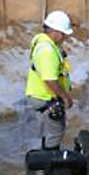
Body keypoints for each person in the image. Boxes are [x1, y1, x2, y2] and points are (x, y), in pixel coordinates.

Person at [24, 10, 74, 150]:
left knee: (51, 129)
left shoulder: (48, 45)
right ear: (54, 31)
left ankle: (46, 159)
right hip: (44, 96)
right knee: (55, 132)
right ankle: (49, 164)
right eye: (63, 34)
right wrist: (65, 97)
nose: (64, 37)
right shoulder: (47, 50)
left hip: (43, 95)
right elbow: (49, 80)